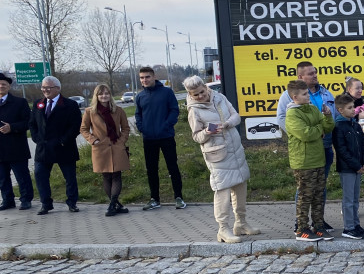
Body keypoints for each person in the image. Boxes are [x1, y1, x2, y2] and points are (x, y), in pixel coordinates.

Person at [184, 76, 259, 243]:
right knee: (223, 191)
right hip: (217, 155)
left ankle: (241, 223)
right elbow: (196, 137)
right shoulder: (194, 110)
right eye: (195, 95)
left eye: (202, 92)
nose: (200, 96)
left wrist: (226, 124)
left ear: (206, 87)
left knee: (241, 186)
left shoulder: (220, 97)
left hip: (236, 150)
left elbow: (236, 116)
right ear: (190, 94)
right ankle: (223, 229)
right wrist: (207, 133)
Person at [276, 61, 336, 229]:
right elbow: (283, 119)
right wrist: (301, 134)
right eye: (310, 73)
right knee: (305, 189)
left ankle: (319, 221)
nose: (315, 75)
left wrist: (323, 126)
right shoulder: (289, 96)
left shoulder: (325, 93)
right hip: (304, 147)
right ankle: (300, 224)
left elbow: (331, 118)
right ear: (300, 76)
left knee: (319, 187)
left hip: (323, 146)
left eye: (315, 72)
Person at [29, 75, 81, 215]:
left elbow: (75, 126)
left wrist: (63, 140)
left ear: (57, 88)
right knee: (40, 176)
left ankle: (72, 202)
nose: (45, 90)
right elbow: (32, 124)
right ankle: (46, 204)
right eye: (43, 87)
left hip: (64, 147)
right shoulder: (38, 104)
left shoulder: (70, 105)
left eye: (48, 87)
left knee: (70, 177)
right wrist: (36, 138)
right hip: (43, 148)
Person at [135, 67, 185, 210]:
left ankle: (179, 197)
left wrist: (166, 125)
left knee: (172, 167)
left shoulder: (167, 92)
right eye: (142, 78)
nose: (144, 80)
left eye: (147, 77)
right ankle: (154, 199)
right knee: (151, 169)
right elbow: (138, 114)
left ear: (154, 77)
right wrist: (141, 127)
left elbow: (174, 110)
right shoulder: (140, 96)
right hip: (149, 138)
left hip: (166, 136)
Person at [81, 83, 131, 217]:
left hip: (116, 147)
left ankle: (111, 205)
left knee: (116, 175)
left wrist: (121, 141)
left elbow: (126, 128)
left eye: (107, 93)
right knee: (106, 176)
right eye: (101, 94)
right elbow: (83, 129)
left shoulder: (118, 110)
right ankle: (116, 205)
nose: (104, 96)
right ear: (96, 96)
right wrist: (93, 140)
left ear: (110, 95)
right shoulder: (89, 112)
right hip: (100, 148)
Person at [332, 93, 364, 240]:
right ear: (340, 110)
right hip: (348, 168)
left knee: (355, 199)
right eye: (349, 108)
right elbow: (342, 151)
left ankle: (355, 224)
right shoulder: (339, 127)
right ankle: (348, 228)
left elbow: (363, 145)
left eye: (353, 106)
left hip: (359, 167)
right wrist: (356, 165)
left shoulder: (355, 125)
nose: (353, 110)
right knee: (348, 200)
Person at [0, 72, 34, 210]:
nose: (1, 86)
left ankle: (26, 199)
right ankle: (7, 200)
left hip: (16, 147)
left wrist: (12, 127)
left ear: (9, 86)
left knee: (22, 176)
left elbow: (29, 122)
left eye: (4, 84)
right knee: (2, 178)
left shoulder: (20, 102)